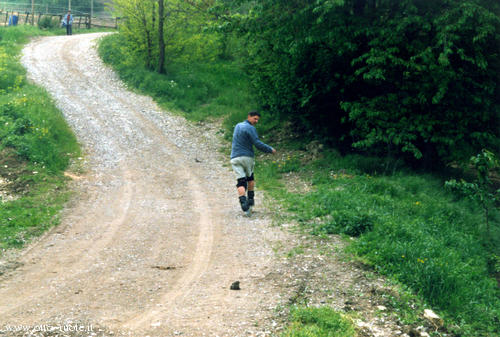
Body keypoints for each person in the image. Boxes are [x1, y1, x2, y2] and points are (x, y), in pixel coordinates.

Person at [230, 111, 276, 212]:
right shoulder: (251, 128)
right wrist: (270, 149)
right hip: (247, 157)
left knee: (241, 181)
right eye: (255, 119)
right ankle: (250, 200)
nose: (256, 121)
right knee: (250, 178)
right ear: (249, 117)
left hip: (234, 157)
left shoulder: (237, 126)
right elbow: (257, 143)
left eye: (257, 119)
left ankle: (243, 202)